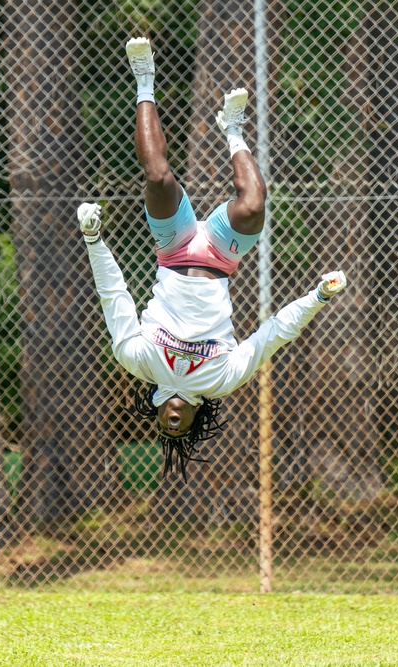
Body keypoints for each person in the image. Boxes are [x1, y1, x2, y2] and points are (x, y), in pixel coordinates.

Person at [78, 37, 346, 480]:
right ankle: (233, 128)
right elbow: (274, 334)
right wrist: (316, 297)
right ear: (197, 420)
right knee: (254, 204)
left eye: (166, 428)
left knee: (159, 177)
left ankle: (144, 80)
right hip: (220, 260)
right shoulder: (221, 380)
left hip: (176, 249)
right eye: (182, 431)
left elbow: (114, 294)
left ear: (159, 411)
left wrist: (93, 240)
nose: (174, 425)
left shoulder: (138, 360)